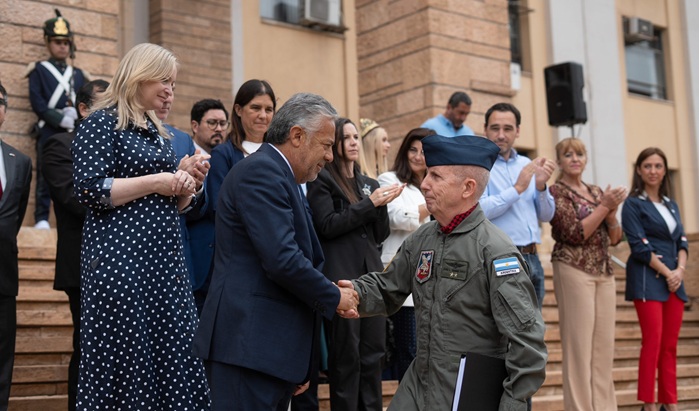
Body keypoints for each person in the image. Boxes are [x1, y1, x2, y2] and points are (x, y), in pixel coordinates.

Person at [339, 134, 547, 411]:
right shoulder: (422, 239)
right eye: (427, 174)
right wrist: (352, 293)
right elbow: (388, 287)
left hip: (468, 392)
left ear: (467, 188)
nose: (425, 183)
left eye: (436, 176)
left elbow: (527, 341)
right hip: (419, 384)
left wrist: (512, 404)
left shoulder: (496, 251)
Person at [192, 93, 359, 411]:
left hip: (269, 354)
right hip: (248, 349)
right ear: (297, 136)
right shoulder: (262, 172)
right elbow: (282, 259)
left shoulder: (280, 175)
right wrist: (334, 296)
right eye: (326, 145)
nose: (329, 156)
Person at [71, 43, 209, 409]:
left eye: (174, 84)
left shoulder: (158, 130)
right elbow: (90, 189)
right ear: (139, 75)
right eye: (163, 80)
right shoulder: (101, 122)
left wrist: (186, 184)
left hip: (164, 267)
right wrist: (158, 181)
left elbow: (173, 205)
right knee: (128, 362)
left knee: (173, 358)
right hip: (121, 265)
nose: (169, 91)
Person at [306, 117, 402, 411]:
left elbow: (380, 235)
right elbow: (326, 225)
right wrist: (369, 204)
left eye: (355, 137)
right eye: (345, 137)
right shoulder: (322, 179)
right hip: (341, 276)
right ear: (334, 143)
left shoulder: (369, 184)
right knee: (346, 356)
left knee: (373, 354)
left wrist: (381, 205)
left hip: (370, 277)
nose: (352, 142)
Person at [40, 79, 107, 411]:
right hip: (82, 266)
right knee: (88, 349)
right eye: (104, 105)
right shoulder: (60, 145)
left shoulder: (117, 144)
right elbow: (75, 198)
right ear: (83, 109)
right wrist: (127, 192)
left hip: (121, 262)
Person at [548, 137, 627, 411]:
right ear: (559, 162)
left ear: (586, 159)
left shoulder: (596, 191)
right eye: (568, 155)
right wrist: (604, 206)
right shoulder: (557, 191)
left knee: (603, 349)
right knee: (579, 349)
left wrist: (612, 214)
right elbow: (575, 233)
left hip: (603, 270)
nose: (575, 159)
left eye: (579, 154)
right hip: (573, 268)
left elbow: (615, 238)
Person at [622, 147, 688, 411]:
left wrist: (679, 271)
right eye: (647, 166)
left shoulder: (671, 204)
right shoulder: (633, 204)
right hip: (647, 279)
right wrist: (668, 272)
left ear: (664, 170)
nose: (653, 171)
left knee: (669, 346)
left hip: (674, 281)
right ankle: (648, 405)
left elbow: (682, 242)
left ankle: (670, 403)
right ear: (639, 170)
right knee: (653, 342)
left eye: (658, 166)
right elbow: (639, 247)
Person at [479, 102, 556, 308]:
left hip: (533, 257)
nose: (501, 135)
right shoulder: (479, 166)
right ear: (485, 129)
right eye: (495, 128)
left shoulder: (526, 164)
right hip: (503, 257)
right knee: (509, 321)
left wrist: (541, 187)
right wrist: (517, 189)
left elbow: (547, 216)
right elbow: (480, 211)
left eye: (508, 129)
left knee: (535, 323)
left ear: (518, 131)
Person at [377, 127, 433, 381]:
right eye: (413, 149)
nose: (418, 156)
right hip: (404, 278)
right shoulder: (389, 180)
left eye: (424, 151)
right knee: (408, 352)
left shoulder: (438, 183)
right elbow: (397, 217)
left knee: (431, 354)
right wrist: (433, 203)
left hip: (435, 280)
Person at [26, 9, 89, 229]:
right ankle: (42, 217)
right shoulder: (39, 70)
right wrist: (60, 119)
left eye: (66, 42)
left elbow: (85, 101)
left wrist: (75, 119)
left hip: (74, 131)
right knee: (45, 174)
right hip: (50, 130)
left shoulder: (78, 74)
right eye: (57, 42)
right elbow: (38, 102)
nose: (62, 46)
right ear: (47, 42)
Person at [0, 81, 33, 411]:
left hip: (4, 277)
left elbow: (14, 216)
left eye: (0, 102)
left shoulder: (20, 161)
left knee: (2, 360)